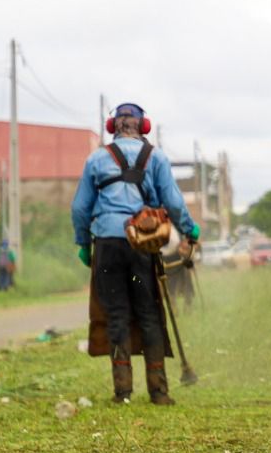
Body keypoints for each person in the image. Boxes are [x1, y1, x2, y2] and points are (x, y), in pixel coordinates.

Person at [71, 102, 199, 405]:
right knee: (149, 313)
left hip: (107, 246)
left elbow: (79, 208)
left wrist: (83, 244)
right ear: (143, 127)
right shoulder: (156, 157)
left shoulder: (96, 159)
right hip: (141, 246)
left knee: (116, 315)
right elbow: (173, 202)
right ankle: (159, 392)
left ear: (113, 127)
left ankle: (123, 392)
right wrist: (190, 230)